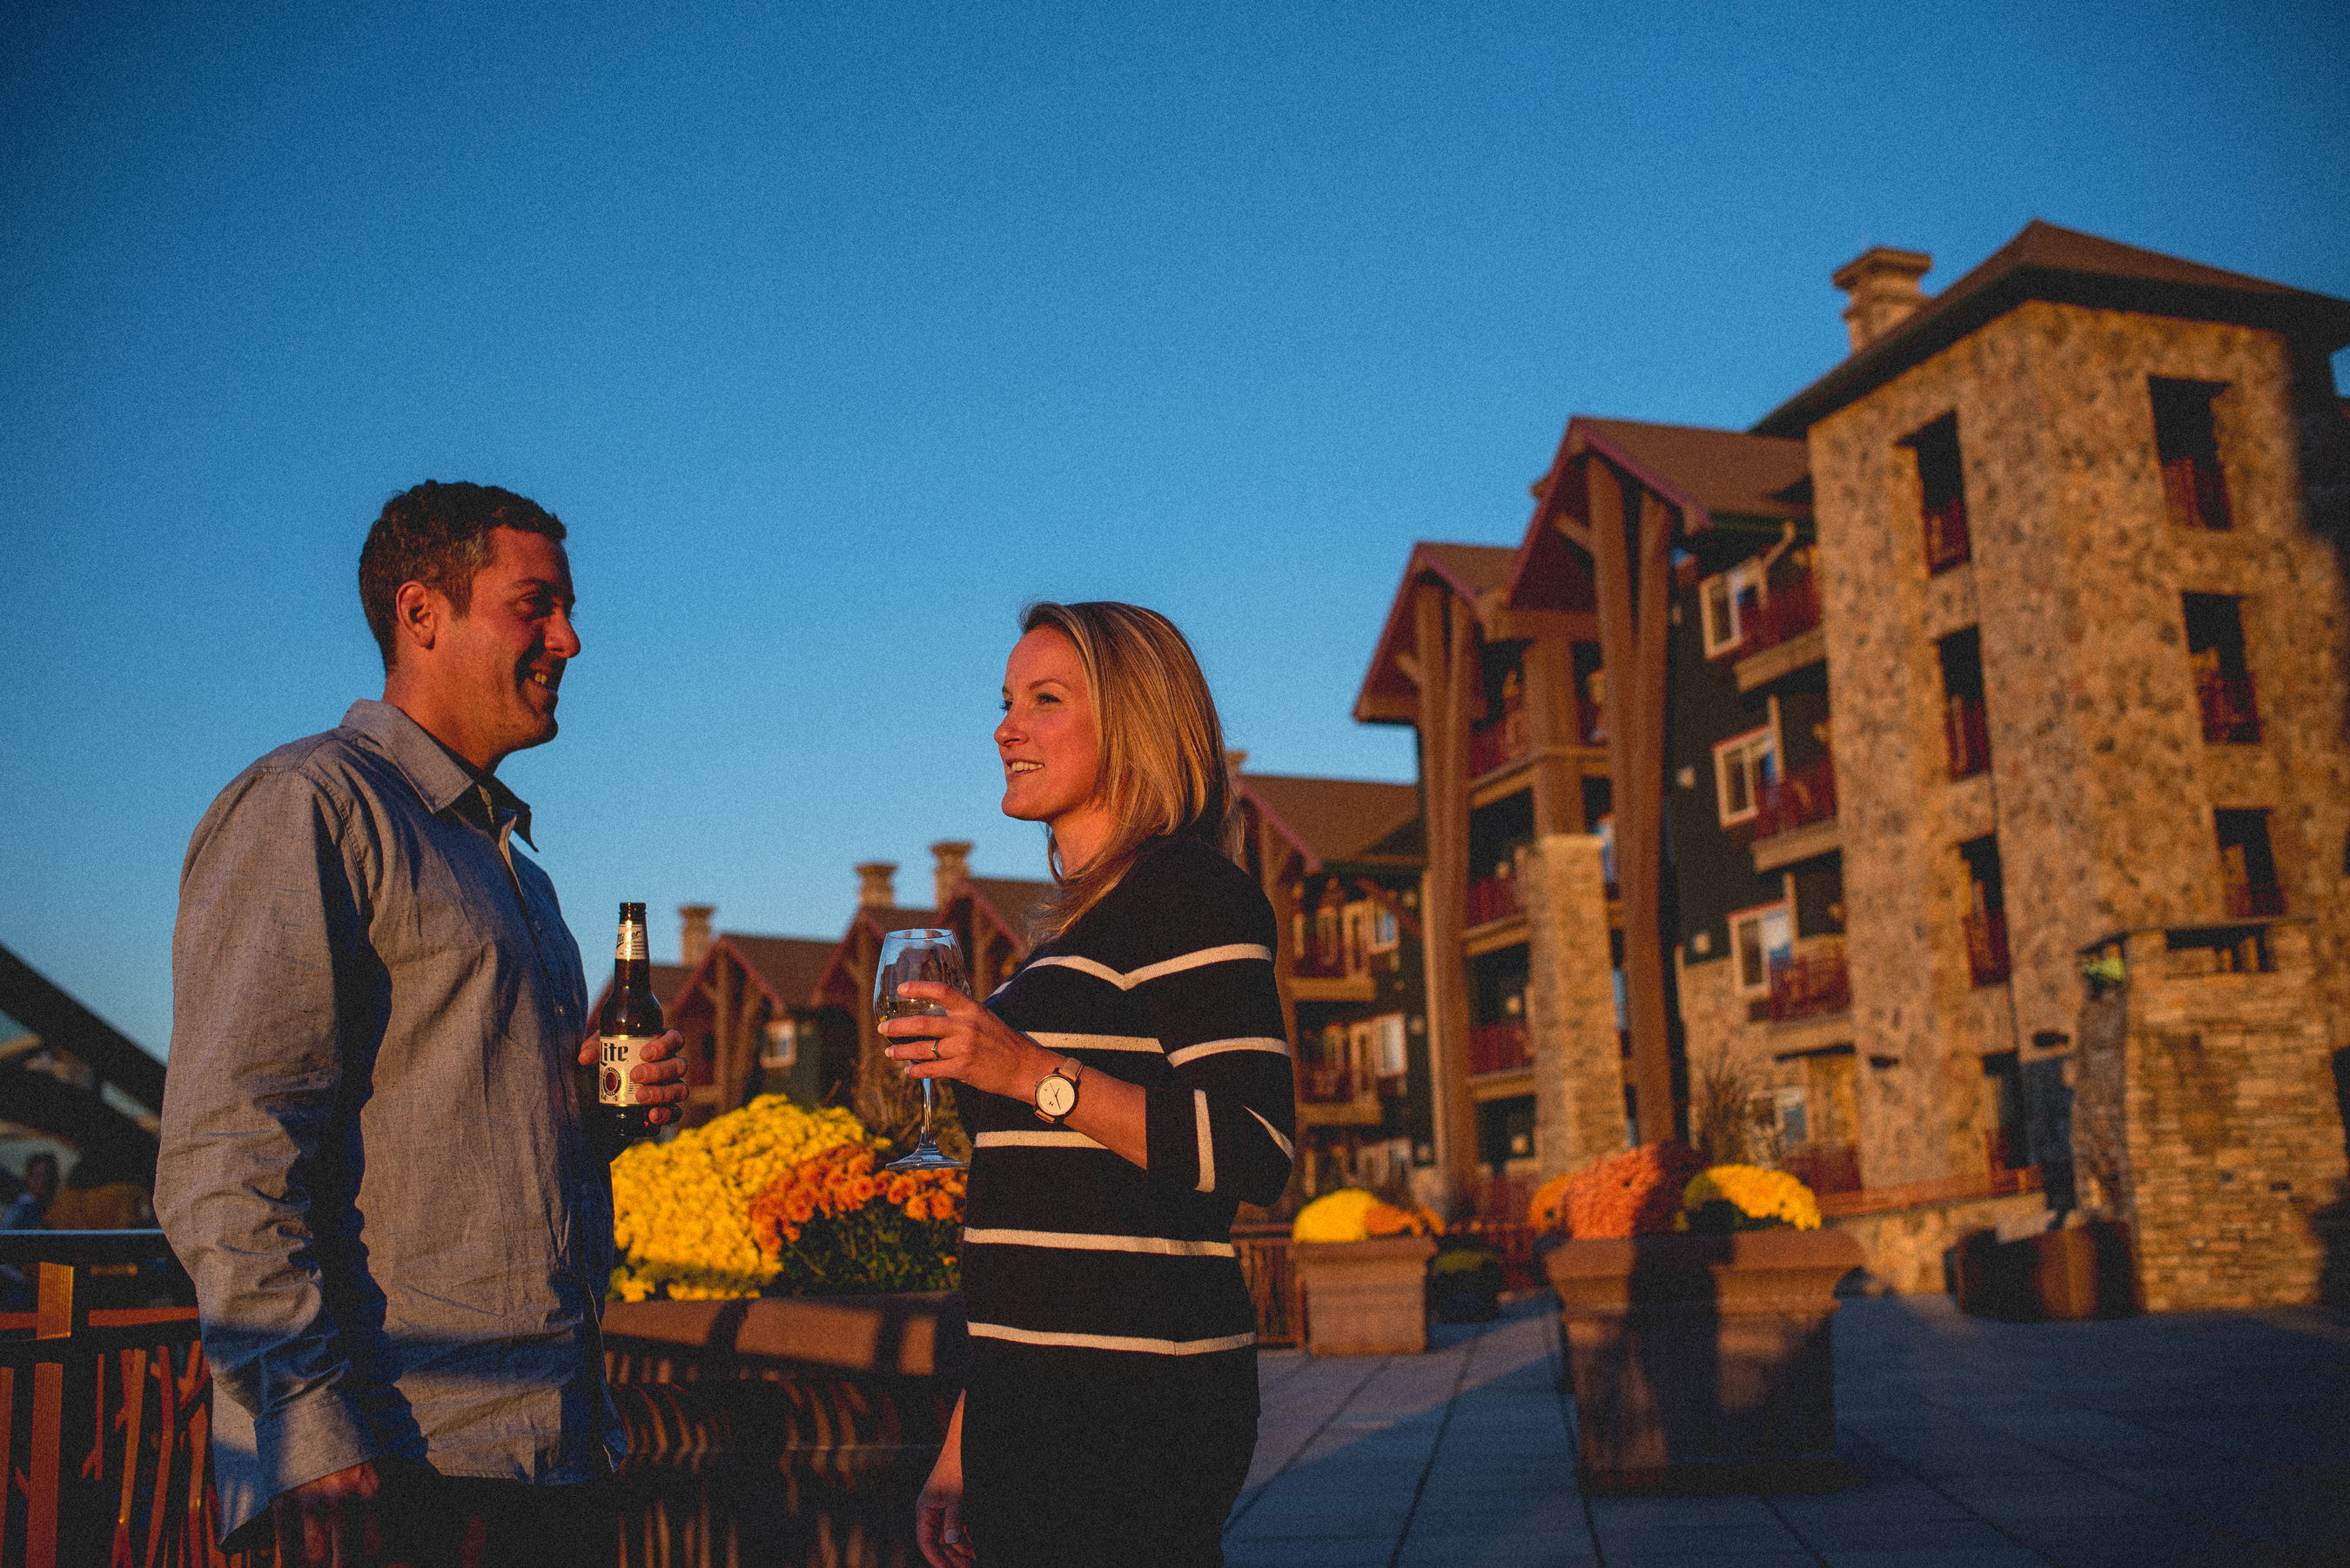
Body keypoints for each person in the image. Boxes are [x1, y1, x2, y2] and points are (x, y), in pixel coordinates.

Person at [155, 481, 689, 1568]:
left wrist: (595, 1115)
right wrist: (308, 1424)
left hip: (549, 1446)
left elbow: (474, 1145)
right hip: (396, 1468)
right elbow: (227, 1148)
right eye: (536, 606)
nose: (570, 639)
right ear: (422, 613)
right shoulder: (309, 803)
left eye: (568, 610)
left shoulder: (511, 865)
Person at [882, 601, 1296, 1568]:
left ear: (1135, 725)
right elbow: (1035, 1216)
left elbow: (1254, 1147)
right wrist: (966, 1439)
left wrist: (1027, 1071)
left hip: (1132, 1408)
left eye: (1045, 700)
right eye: (1005, 702)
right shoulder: (1072, 935)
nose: (1006, 728)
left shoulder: (1189, 893)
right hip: (1031, 1409)